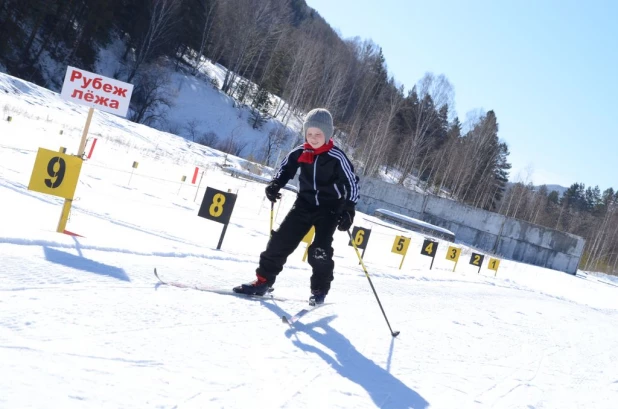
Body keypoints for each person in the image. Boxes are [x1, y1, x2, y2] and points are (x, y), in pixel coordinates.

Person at [233, 108, 360, 305]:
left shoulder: (337, 157)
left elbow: (352, 182)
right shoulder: (301, 151)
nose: (313, 138)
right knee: (279, 242)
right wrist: (275, 185)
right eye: (309, 133)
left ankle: (319, 289)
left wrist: (349, 208)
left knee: (320, 250)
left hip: (330, 208)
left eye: (318, 134)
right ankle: (263, 281)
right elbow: (286, 168)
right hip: (304, 204)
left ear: (327, 134)